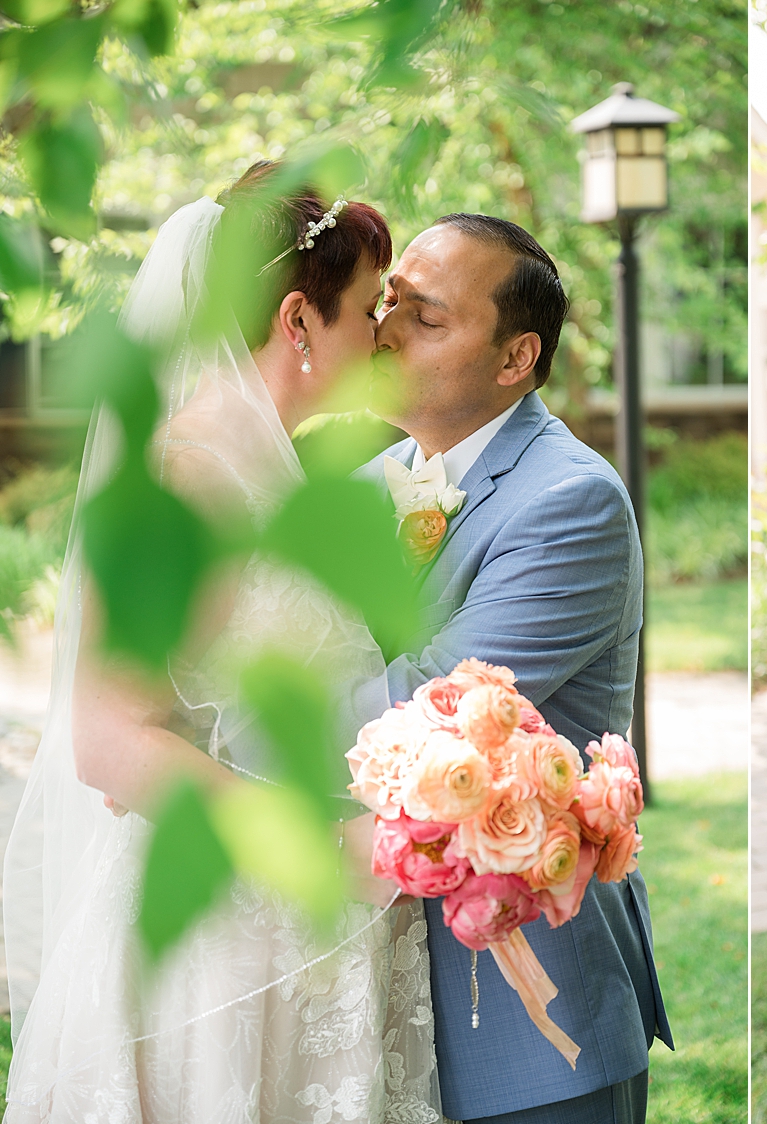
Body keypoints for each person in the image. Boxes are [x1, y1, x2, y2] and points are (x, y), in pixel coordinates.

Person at [2, 164, 443, 1120]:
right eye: (369, 306)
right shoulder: (188, 474)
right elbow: (110, 741)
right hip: (217, 952)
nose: (384, 331)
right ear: (298, 321)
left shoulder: (280, 473)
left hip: (311, 939)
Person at [353, 213, 671, 1124]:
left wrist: (221, 719)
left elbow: (416, 714)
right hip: (387, 983)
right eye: (390, 302)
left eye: (427, 316)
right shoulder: (375, 481)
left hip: (528, 1008)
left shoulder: (570, 501)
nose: (385, 330)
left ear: (513, 358)